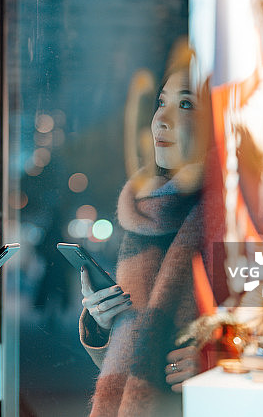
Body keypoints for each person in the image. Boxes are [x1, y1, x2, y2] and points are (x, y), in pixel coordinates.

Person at [77, 44, 225, 416]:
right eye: (161, 102)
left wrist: (217, 363)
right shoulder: (147, 218)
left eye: (186, 104)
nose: (161, 119)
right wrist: (102, 322)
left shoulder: (229, 213)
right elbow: (131, 363)